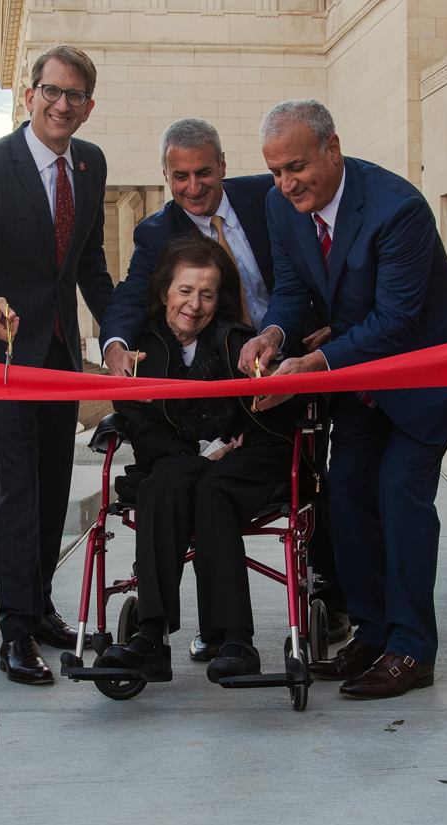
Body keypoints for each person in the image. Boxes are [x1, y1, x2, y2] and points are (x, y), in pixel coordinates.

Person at [241, 100, 447, 699]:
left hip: (429, 370)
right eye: (275, 171)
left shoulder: (398, 207)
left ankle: (411, 649)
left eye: (296, 167)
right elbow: (295, 284)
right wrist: (274, 333)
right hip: (359, 368)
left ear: (333, 148)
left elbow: (398, 321)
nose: (285, 183)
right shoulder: (281, 205)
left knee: (399, 491)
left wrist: (316, 362)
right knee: (348, 490)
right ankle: (372, 633)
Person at [99, 117, 348, 658]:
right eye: (179, 177)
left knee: (321, 478)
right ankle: (154, 636)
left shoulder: (273, 195)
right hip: (206, 398)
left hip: (285, 360)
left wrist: (326, 327)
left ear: (224, 167)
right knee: (173, 480)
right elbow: (126, 300)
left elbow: (312, 266)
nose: (193, 187)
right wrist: (116, 344)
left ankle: (329, 585)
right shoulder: (156, 240)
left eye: (204, 173)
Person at [0, 46, 114, 686]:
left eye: (75, 96)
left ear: (88, 106)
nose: (61, 105)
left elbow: (89, 263)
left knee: (52, 484)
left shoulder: (90, 164)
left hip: (60, 354)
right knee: (18, 483)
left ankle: (39, 605)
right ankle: (14, 633)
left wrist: (118, 334)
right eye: (51, 91)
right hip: (4, 350)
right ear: (29, 95)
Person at [100, 234, 303, 683]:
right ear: (165, 294)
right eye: (185, 291)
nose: (195, 304)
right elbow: (139, 419)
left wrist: (236, 436)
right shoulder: (141, 351)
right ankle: (152, 636)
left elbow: (272, 409)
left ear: (219, 299)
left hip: (247, 457)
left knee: (212, 487)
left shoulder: (238, 340)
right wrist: (199, 453)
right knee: (163, 481)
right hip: (180, 460)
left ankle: (236, 640)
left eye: (207, 294)